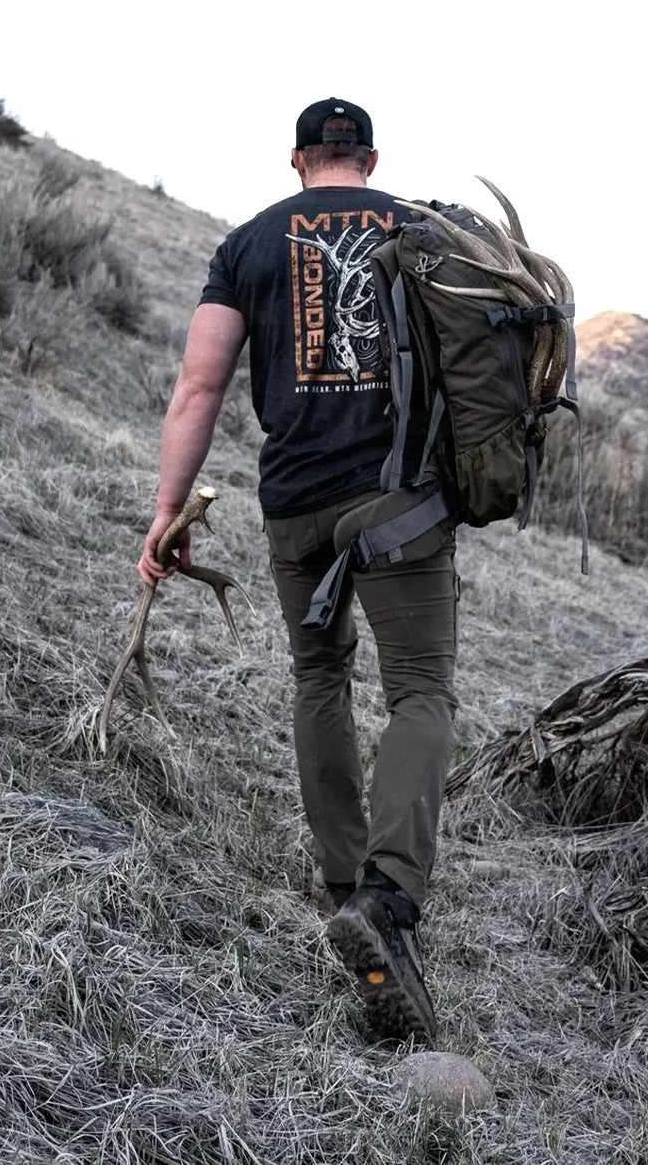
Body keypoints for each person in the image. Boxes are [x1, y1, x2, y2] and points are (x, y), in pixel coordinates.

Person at [137, 99, 457, 1040]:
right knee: (420, 691)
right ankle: (388, 900)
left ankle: (344, 883)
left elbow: (199, 384)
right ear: (371, 160)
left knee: (320, 676)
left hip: (295, 503)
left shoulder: (247, 244)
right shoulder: (423, 232)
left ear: (297, 160)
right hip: (400, 500)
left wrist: (166, 513)